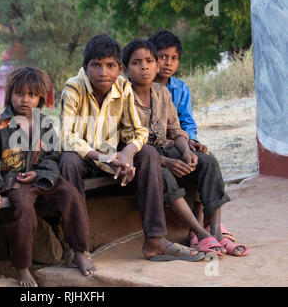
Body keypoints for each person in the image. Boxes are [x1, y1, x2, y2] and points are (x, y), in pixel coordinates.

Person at [59, 34, 204, 262]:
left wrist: (127, 153)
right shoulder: (73, 89)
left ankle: (155, 239)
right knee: (67, 161)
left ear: (119, 68)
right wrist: (104, 157)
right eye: (96, 66)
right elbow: (67, 137)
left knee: (147, 153)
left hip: (114, 157)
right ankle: (79, 249)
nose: (103, 72)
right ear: (85, 68)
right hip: (85, 157)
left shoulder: (123, 87)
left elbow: (138, 132)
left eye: (110, 66)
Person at [122, 38, 249, 256]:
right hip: (143, 157)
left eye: (149, 61)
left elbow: (176, 130)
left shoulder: (162, 92)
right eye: (136, 63)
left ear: (155, 65)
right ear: (125, 69)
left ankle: (216, 230)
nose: (144, 67)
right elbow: (125, 142)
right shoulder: (122, 96)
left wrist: (186, 151)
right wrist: (167, 162)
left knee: (207, 162)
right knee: (164, 175)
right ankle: (201, 233)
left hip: (166, 147)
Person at [0, 66, 94, 287]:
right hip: (15, 179)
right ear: (10, 94)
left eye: (31, 95)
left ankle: (80, 250)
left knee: (72, 195)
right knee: (23, 210)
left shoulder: (45, 124)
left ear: (40, 97)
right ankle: (22, 267)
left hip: (44, 176)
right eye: (19, 94)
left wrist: (40, 173)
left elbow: (53, 156)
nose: (25, 100)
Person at [148, 30, 210, 226]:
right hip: (153, 146)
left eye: (174, 58)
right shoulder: (140, 87)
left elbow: (186, 121)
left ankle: (204, 217)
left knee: (205, 160)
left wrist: (191, 140)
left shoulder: (180, 88)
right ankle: (193, 225)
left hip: (177, 140)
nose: (168, 63)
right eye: (163, 57)